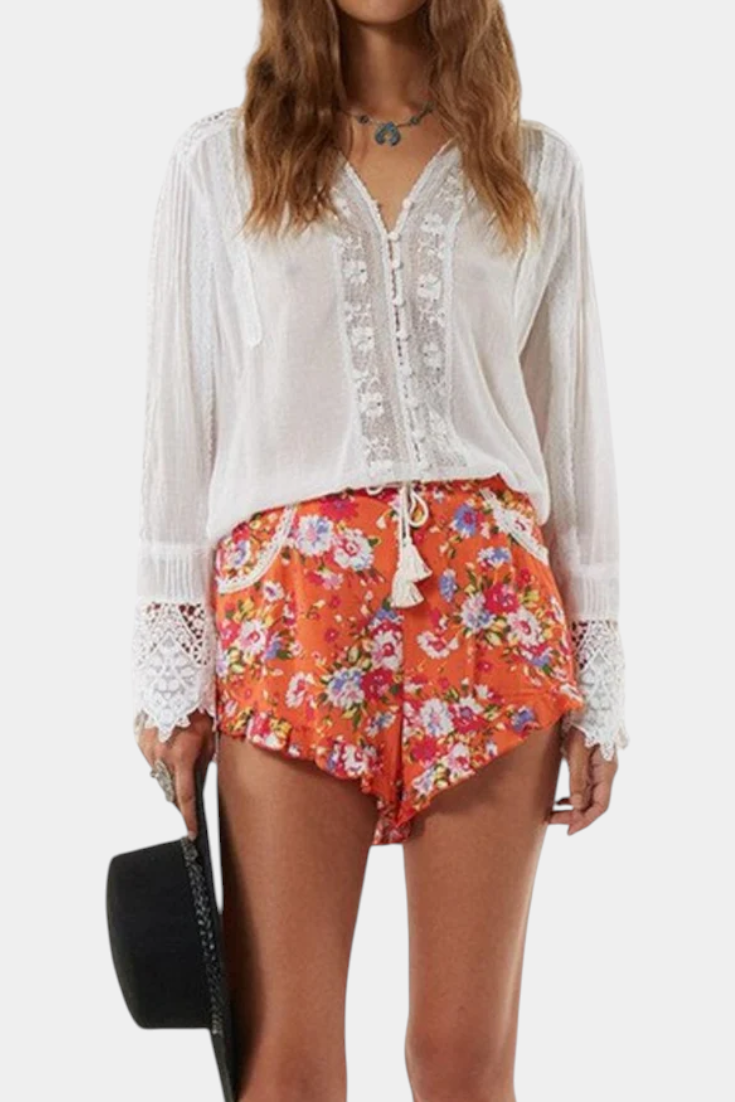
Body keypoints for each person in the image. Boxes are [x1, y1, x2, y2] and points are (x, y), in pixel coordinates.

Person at [131, 1, 628, 1098]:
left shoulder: (536, 169)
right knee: (286, 1068)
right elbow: (178, 420)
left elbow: (571, 429)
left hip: (492, 617)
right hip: (289, 616)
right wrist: (172, 664)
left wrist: (598, 674)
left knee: (461, 1059)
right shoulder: (218, 164)